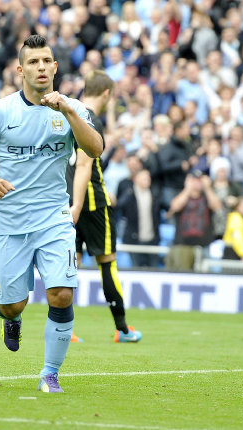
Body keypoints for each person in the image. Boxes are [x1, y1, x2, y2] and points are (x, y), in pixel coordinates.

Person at [0, 35, 103, 393]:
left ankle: (50, 373)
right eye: (33, 62)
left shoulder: (74, 109)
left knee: (61, 294)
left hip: (54, 218)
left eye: (46, 61)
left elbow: (95, 148)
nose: (41, 67)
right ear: (20, 69)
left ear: (55, 67)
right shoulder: (0, 111)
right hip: (10, 220)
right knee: (12, 304)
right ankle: (12, 319)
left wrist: (69, 112)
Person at [66, 69, 142, 343]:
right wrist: (79, 204)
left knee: (69, 265)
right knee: (107, 263)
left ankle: (65, 329)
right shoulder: (90, 120)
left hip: (66, 197)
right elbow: (86, 163)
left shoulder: (71, 114)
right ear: (108, 94)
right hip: (92, 201)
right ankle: (122, 329)